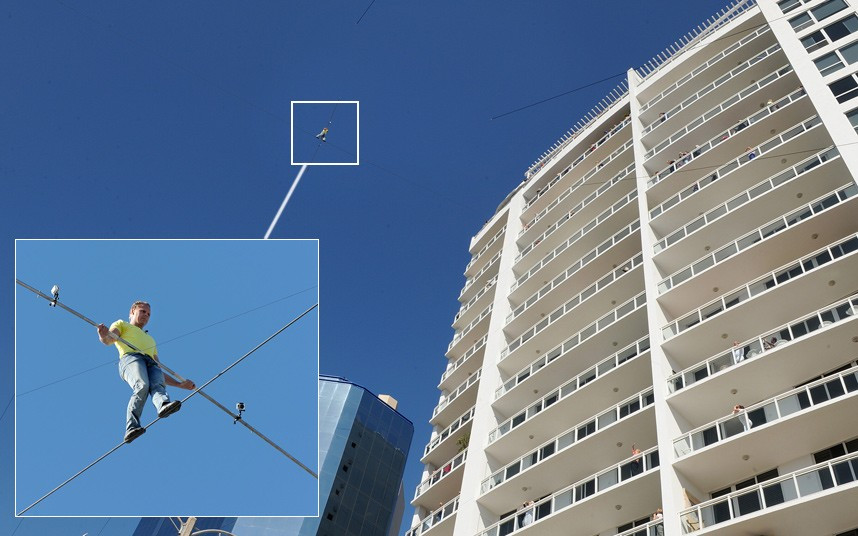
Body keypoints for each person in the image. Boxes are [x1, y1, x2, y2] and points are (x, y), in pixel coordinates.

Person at [97, 301, 195, 443]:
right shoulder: (122, 324)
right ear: (132, 311)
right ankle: (131, 427)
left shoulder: (151, 340)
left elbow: (159, 371)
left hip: (149, 362)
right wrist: (102, 335)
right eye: (143, 311)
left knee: (157, 384)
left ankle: (163, 405)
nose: (146, 316)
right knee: (142, 385)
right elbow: (109, 340)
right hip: (131, 358)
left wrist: (180, 385)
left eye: (148, 314)